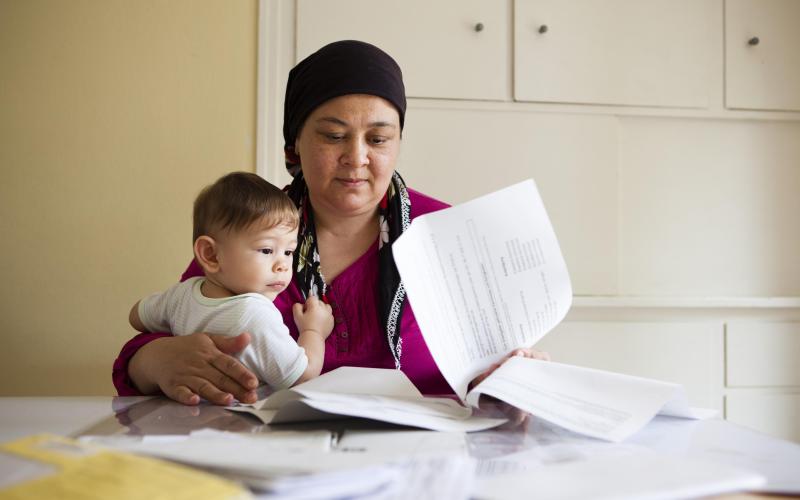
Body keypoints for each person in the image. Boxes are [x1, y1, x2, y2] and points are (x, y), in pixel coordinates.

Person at [113, 40, 548, 406]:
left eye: (378, 139)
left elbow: (490, 369)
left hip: (421, 463)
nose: (356, 158)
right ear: (292, 147)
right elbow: (153, 338)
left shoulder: (449, 233)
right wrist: (156, 360)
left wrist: (508, 382)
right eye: (334, 136)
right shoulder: (248, 228)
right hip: (272, 462)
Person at [128, 172, 334, 390]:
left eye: (289, 252)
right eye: (266, 250)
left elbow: (136, 317)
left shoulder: (181, 295)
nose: (283, 265)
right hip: (248, 421)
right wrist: (314, 331)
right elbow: (303, 376)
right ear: (211, 255)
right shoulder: (255, 313)